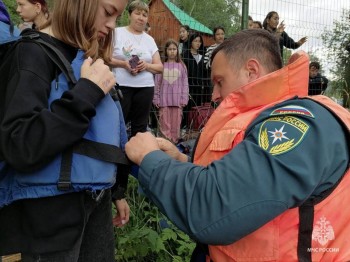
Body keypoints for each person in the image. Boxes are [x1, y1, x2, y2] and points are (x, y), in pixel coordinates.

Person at [125, 29, 350, 261]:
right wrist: (183, 161)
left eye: (219, 82)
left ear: (251, 71)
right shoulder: (264, 118)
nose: (214, 94)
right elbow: (240, 173)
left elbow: (213, 207)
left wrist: (149, 157)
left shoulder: (296, 124)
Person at [0, 0, 131, 260]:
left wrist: (118, 190)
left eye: (117, 15)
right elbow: (19, 143)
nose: (112, 24)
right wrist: (87, 93)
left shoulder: (85, 57)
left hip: (95, 200)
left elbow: (104, 135)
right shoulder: (31, 54)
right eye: (108, 12)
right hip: (48, 215)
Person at [110, 0, 163, 138]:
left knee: (140, 128)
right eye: (137, 13)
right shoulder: (116, 33)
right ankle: (116, 155)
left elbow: (160, 67)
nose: (141, 17)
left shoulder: (149, 40)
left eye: (144, 15)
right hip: (121, 87)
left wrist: (147, 66)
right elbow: (105, 58)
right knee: (117, 123)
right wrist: (124, 64)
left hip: (145, 88)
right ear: (129, 15)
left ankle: (136, 157)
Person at [153, 39, 189, 143]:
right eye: (170, 49)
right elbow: (157, 84)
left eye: (174, 49)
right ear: (166, 51)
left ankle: (174, 143)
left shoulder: (182, 66)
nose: (172, 51)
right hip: (164, 102)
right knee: (164, 124)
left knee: (176, 124)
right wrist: (156, 99)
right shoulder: (162, 66)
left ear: (178, 51)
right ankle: (165, 143)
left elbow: (185, 84)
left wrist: (184, 98)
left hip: (178, 102)